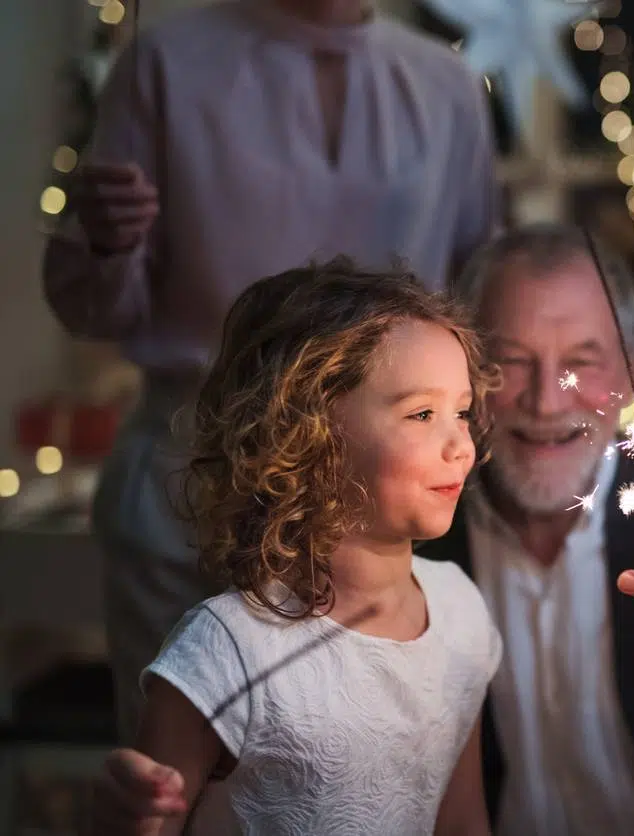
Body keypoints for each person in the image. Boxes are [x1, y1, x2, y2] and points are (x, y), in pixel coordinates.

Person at [93, 225, 634, 835]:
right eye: (511, 361)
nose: (547, 401)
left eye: (583, 362)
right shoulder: (397, 515)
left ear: (627, 381)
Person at [42, 0, 498, 742]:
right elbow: (94, 309)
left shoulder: (445, 83)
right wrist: (102, 241)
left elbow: (481, 293)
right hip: (190, 488)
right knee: (185, 774)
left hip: (374, 506)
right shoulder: (164, 63)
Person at [91, 260, 502, 835]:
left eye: (461, 411)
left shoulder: (461, 612)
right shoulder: (226, 649)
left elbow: (461, 821)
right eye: (422, 414)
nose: (460, 443)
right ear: (307, 433)